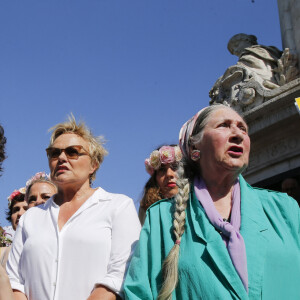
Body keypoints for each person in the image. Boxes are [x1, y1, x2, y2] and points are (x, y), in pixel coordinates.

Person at [124, 104, 300, 300]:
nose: (238, 134)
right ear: (194, 148)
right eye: (224, 125)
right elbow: (139, 293)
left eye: (243, 128)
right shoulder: (161, 218)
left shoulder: (285, 208)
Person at [6, 115, 141, 300]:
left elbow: (121, 273)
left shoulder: (117, 206)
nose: (61, 157)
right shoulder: (31, 217)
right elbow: (14, 280)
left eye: (73, 152)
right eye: (54, 153)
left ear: (94, 164)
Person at [139, 145, 182, 224]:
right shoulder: (146, 209)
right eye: (162, 170)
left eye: (175, 166)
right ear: (155, 177)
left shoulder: (202, 203)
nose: (169, 174)